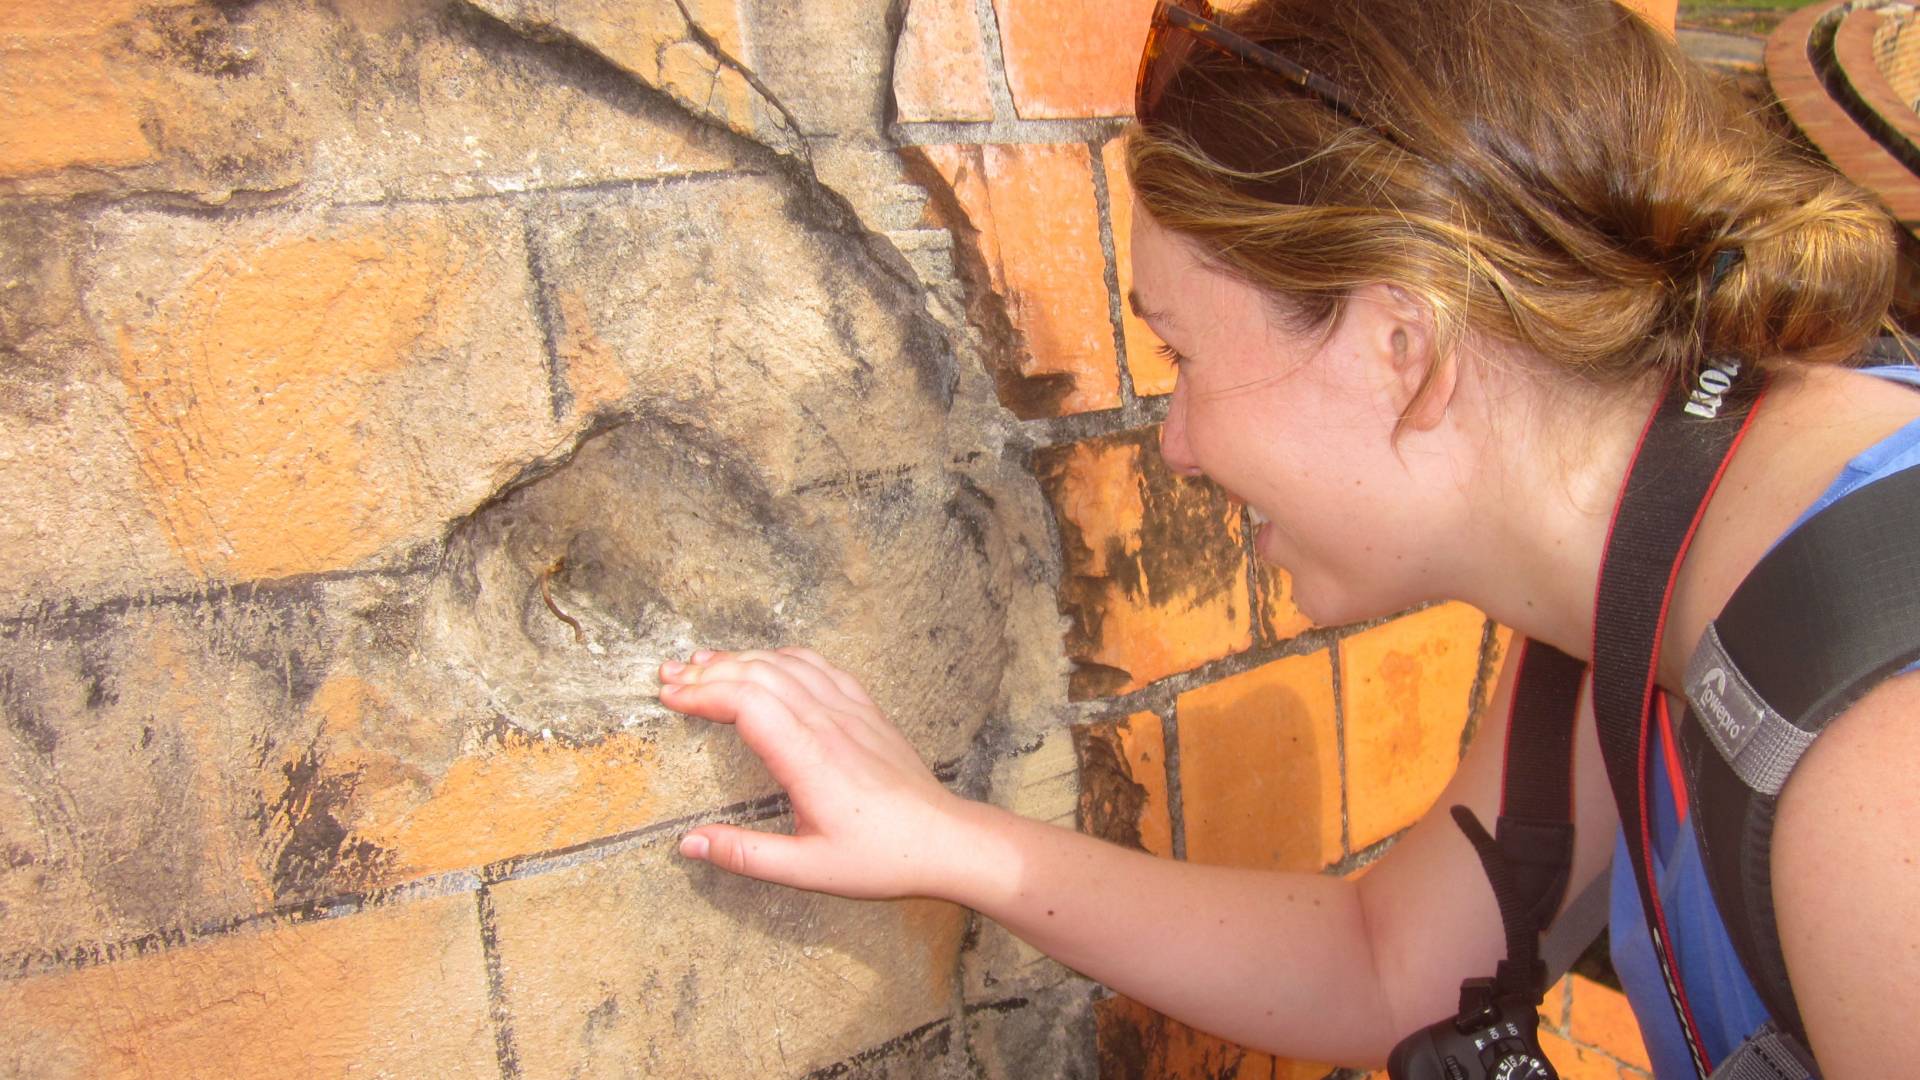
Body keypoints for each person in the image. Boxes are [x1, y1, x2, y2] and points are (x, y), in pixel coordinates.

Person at [655, 0, 1920, 1075]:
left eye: (1182, 355)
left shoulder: (1876, 749)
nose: (1177, 445)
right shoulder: (1639, 584)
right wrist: (941, 835)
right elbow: (1388, 967)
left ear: (1403, 347)